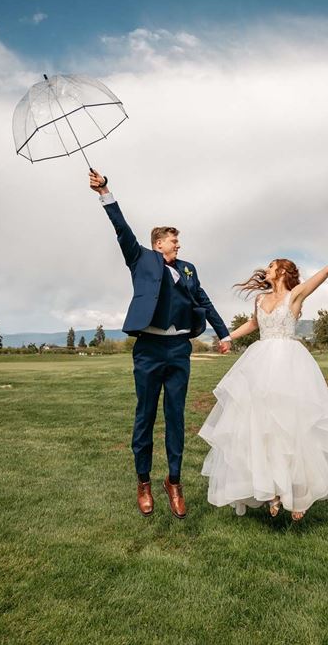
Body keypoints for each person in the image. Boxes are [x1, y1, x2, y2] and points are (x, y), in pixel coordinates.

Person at [198, 241, 328, 521]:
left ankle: (298, 493)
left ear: (282, 271)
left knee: (292, 426)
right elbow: (254, 324)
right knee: (262, 426)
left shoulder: (295, 295)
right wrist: (228, 337)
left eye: (271, 266)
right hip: (260, 364)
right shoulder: (260, 299)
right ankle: (271, 491)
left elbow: (327, 271)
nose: (266, 269)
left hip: (290, 364)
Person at [90, 169, 231, 518]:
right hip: (149, 350)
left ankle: (174, 482)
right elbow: (122, 229)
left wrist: (224, 333)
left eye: (178, 241)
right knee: (145, 416)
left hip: (179, 350)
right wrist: (105, 192)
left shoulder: (188, 268)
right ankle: (143, 482)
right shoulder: (140, 259)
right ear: (158, 244)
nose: (178, 245)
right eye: (173, 241)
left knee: (176, 417)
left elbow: (203, 299)